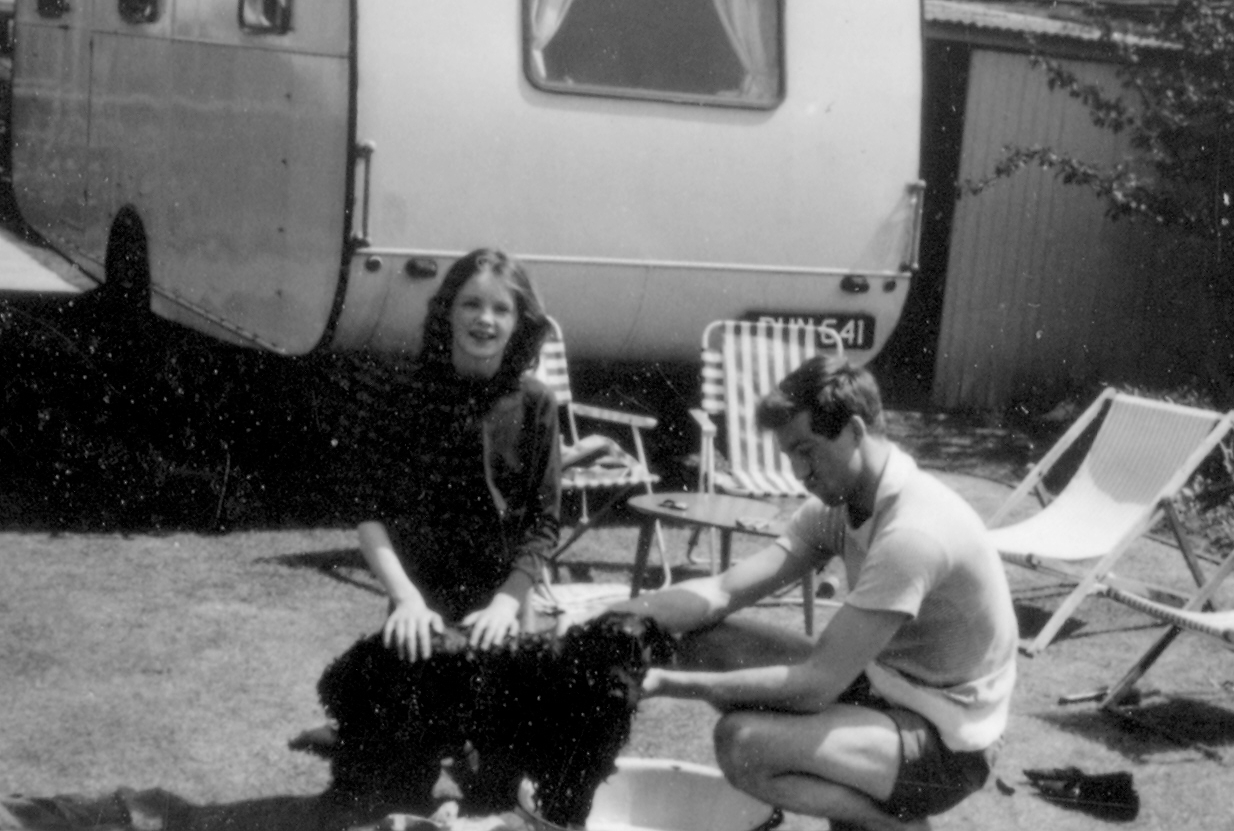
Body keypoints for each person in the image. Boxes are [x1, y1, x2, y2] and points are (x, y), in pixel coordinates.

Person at [594, 356, 1018, 831]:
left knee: (743, 744)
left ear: (855, 430)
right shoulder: (841, 504)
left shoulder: (913, 532)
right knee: (702, 640)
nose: (798, 472)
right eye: (788, 456)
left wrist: (666, 684)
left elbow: (818, 683)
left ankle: (894, 826)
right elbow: (722, 590)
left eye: (806, 451)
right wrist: (610, 619)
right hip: (883, 688)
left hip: (950, 744)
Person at [351, 248, 563, 660]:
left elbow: (545, 523)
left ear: (519, 323)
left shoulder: (537, 404)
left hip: (503, 609)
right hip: (421, 612)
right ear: (447, 310)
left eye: (501, 309)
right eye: (471, 303)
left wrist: (506, 603)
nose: (485, 319)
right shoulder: (401, 395)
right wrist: (407, 600)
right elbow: (370, 516)